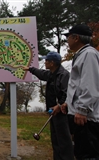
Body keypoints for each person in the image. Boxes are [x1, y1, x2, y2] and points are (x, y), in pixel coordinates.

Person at [22, 51, 74, 160]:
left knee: (64, 141)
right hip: (53, 113)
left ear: (52, 63)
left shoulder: (64, 75)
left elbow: (67, 93)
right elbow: (41, 73)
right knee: (55, 140)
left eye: (46, 60)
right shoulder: (51, 74)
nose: (44, 62)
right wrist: (30, 69)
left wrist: (59, 106)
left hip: (62, 112)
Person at [61, 24, 99, 160]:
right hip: (80, 116)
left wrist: (82, 109)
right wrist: (67, 103)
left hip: (87, 118)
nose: (67, 41)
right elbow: (77, 85)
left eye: (68, 37)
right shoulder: (81, 55)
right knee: (81, 152)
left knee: (87, 155)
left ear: (76, 38)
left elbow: (90, 84)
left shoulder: (89, 54)